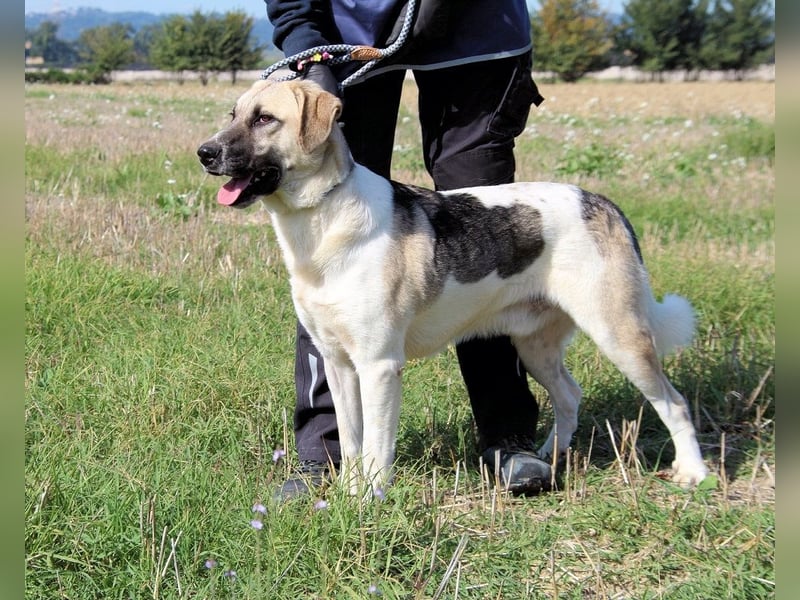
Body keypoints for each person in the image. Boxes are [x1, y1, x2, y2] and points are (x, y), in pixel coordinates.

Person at [264, 0, 553, 499]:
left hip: (478, 32)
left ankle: (507, 434)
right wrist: (310, 53)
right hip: (347, 31)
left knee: (483, 235)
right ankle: (326, 453)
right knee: (329, 238)